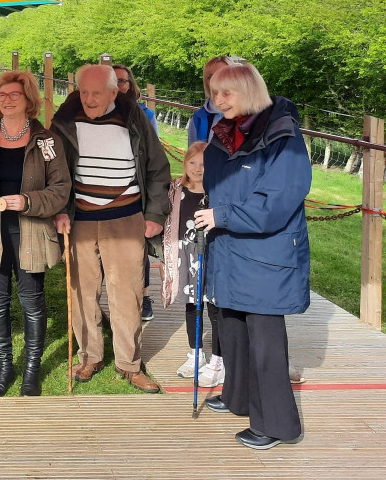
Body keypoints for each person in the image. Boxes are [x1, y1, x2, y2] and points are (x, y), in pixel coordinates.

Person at [193, 62, 310, 450]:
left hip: (265, 253)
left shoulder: (283, 135)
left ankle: (277, 425)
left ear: (249, 91)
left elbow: (277, 201)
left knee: (265, 343)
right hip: (228, 245)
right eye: (214, 91)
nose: (218, 99)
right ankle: (237, 397)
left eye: (227, 92)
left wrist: (221, 215)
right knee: (231, 328)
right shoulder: (224, 132)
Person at [51, 64, 170, 394]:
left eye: (96, 93)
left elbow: (158, 168)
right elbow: (54, 172)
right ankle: (90, 356)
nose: (88, 99)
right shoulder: (64, 119)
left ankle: (130, 364)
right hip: (80, 219)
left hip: (126, 217)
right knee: (82, 292)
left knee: (127, 293)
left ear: (115, 91)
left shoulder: (134, 116)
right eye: (84, 92)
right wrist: (59, 210)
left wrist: (155, 215)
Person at [0, 71, 71, 397]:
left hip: (32, 231)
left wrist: (27, 201)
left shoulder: (47, 140)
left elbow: (61, 189)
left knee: (32, 302)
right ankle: (5, 367)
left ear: (28, 100)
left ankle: (32, 371)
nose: (6, 100)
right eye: (2, 95)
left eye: (14, 95)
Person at [159, 141, 223, 387]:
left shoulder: (216, 191)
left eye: (204, 165)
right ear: (185, 163)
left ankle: (218, 358)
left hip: (211, 254)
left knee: (214, 307)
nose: (197, 169)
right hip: (185, 255)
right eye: (192, 163)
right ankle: (196, 353)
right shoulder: (176, 189)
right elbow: (168, 223)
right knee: (192, 305)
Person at [113, 64, 158, 323]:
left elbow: (154, 155)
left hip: (135, 187)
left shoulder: (145, 114)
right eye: (114, 81)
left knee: (138, 247)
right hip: (105, 190)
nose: (119, 86)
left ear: (130, 84)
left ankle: (143, 296)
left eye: (123, 81)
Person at [188, 56, 242, 145]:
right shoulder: (199, 117)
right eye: (210, 76)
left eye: (223, 74)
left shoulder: (249, 114)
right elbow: (192, 155)